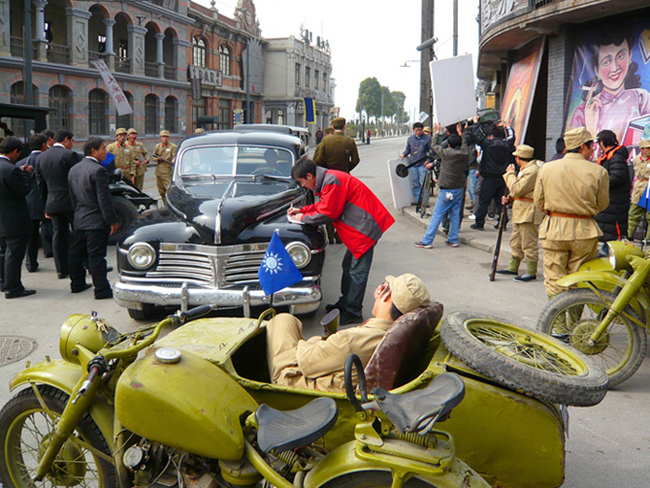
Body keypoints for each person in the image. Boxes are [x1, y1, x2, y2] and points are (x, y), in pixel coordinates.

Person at [266, 273, 430, 392]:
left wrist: (307, 344)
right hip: (348, 377)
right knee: (307, 334)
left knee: (283, 320)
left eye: (385, 287)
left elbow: (306, 362)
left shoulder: (352, 340)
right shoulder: (403, 332)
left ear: (388, 296)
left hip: (305, 385)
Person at [288, 159, 395, 325]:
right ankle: (346, 303)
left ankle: (353, 310)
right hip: (359, 227)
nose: (303, 186)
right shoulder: (328, 179)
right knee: (349, 268)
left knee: (357, 271)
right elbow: (325, 205)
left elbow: (329, 213)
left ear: (310, 176)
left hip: (363, 229)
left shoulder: (331, 181)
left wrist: (303, 217)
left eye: (302, 181)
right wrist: (301, 210)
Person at [534, 127, 610, 335]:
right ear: (583, 146)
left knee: (554, 278)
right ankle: (574, 325)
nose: (593, 149)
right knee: (579, 279)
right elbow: (602, 204)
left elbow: (538, 201)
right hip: (585, 230)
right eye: (591, 145)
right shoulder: (598, 171)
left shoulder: (546, 169)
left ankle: (559, 329)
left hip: (553, 227)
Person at [569, 29, 650, 143]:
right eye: (606, 62)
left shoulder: (642, 98)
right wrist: (591, 130)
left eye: (621, 56)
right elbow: (578, 154)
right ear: (596, 70)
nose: (615, 68)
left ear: (630, 56)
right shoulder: (582, 112)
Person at [68, 137, 118, 299]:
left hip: (80, 218)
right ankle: (102, 290)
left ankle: (77, 284)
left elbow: (73, 197)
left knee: (76, 254)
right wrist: (111, 220)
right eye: (103, 148)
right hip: (95, 221)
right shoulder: (99, 171)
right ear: (93, 151)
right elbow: (104, 199)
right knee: (96, 256)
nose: (106, 152)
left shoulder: (74, 169)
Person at [414, 123, 470, 249]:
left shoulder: (446, 153)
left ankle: (427, 241)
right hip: (458, 189)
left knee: (437, 216)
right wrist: (461, 133)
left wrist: (437, 132)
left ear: (449, 144)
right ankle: (453, 239)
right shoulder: (464, 153)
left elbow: (434, 146)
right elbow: (465, 145)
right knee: (455, 216)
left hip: (446, 190)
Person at [35, 129, 82, 279]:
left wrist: (45, 206)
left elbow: (41, 185)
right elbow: (78, 180)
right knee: (80, 234)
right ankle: (83, 265)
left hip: (52, 203)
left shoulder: (41, 158)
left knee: (58, 236)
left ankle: (61, 270)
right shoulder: (70, 155)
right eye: (72, 141)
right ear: (66, 140)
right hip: (72, 203)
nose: (72, 144)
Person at [497, 144, 543, 282]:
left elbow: (517, 188)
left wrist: (509, 174)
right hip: (520, 209)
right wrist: (509, 199)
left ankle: (531, 271)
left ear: (518, 158)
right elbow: (517, 192)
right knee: (516, 241)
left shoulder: (532, 171)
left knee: (529, 242)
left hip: (528, 211)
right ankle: (513, 266)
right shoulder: (525, 170)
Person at [0, 136, 35, 299]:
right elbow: (22, 190)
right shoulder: (10, 169)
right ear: (15, 151)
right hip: (13, 218)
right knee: (14, 254)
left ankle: (4, 282)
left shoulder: (8, 168)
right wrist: (25, 176)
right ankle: (13, 287)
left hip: (2, 218)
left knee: (4, 252)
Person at [469, 118, 515, 230]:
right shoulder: (507, 144)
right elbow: (512, 136)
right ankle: (502, 222)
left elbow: (478, 136)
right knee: (501, 201)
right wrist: (507, 126)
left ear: (492, 135)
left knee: (484, 201)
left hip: (488, 177)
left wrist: (475, 123)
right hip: (503, 177)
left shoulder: (488, 144)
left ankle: (479, 222)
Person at [592, 129, 630, 255]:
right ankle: (606, 250)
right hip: (611, 200)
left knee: (613, 229)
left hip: (616, 200)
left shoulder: (616, 157)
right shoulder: (610, 156)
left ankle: (612, 252)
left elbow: (617, 177)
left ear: (602, 142)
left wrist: (599, 182)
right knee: (607, 228)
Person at [18, 134, 49, 273]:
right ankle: (54, 257)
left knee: (31, 236)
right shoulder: (46, 160)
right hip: (47, 202)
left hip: (29, 204)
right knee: (52, 231)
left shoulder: (21, 163)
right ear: (44, 145)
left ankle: (31, 263)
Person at [400, 122, 432, 204]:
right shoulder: (410, 139)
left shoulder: (428, 138)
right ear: (413, 130)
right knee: (415, 183)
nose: (418, 132)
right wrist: (403, 154)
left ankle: (425, 202)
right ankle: (418, 200)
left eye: (420, 130)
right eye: (416, 130)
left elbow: (431, 151)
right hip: (413, 164)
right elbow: (408, 150)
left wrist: (428, 161)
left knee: (424, 183)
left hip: (423, 165)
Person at [628, 139, 650, 241]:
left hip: (649, 187)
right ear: (642, 149)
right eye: (647, 148)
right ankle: (629, 235)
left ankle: (648, 238)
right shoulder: (637, 159)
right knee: (633, 213)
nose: (649, 150)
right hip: (638, 187)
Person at [152, 130, 178, 200]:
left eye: (166, 137)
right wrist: (158, 159)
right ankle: (164, 204)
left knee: (169, 190)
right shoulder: (158, 146)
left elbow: (174, 156)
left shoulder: (173, 147)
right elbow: (153, 157)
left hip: (167, 171)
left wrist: (173, 160)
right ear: (161, 137)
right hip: (159, 171)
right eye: (163, 137)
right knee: (161, 191)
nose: (165, 138)